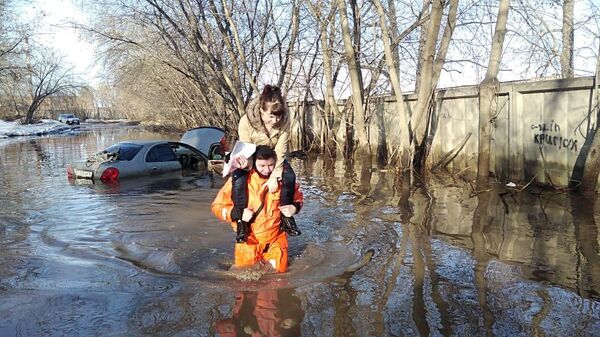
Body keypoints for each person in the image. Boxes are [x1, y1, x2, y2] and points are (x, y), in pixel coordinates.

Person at [212, 145, 303, 273]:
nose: (267, 170)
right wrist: (237, 213)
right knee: (244, 282)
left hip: (276, 239)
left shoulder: (283, 180)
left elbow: (298, 198)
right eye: (262, 166)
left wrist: (295, 207)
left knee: (279, 279)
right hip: (249, 239)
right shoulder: (239, 181)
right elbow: (216, 207)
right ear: (254, 162)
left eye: (271, 165)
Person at [230, 85, 301, 243]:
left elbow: (281, 150)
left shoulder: (285, 120)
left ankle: (286, 217)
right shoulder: (246, 121)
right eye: (271, 116)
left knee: (289, 176)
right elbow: (246, 148)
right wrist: (247, 165)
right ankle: (242, 221)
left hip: (274, 155)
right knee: (238, 177)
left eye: (278, 117)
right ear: (261, 110)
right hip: (252, 153)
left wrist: (274, 176)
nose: (275, 121)